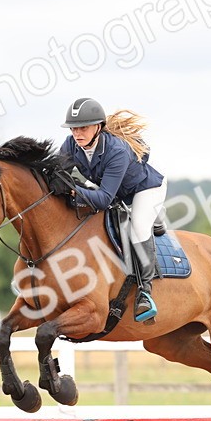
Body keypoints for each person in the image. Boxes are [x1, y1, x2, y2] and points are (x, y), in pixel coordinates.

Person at [57, 97, 167, 322]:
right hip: (116, 192)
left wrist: (74, 191)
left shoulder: (116, 150)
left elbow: (104, 199)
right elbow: (57, 172)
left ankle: (145, 292)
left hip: (144, 190)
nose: (77, 133)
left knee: (137, 226)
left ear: (98, 127)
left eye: (83, 128)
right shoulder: (70, 145)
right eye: (74, 128)